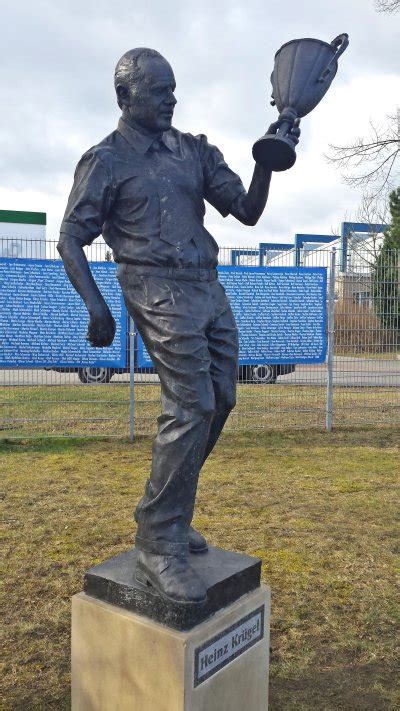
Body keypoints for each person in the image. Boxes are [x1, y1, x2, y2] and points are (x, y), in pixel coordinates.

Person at [58, 47, 300, 604]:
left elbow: (247, 210)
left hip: (207, 286)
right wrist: (97, 307)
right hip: (154, 285)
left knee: (220, 400)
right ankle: (159, 541)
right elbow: (72, 237)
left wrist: (270, 154)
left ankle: (168, 509)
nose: (172, 98)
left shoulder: (193, 150)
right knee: (189, 406)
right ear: (125, 97)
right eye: (159, 90)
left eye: (173, 88)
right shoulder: (106, 160)